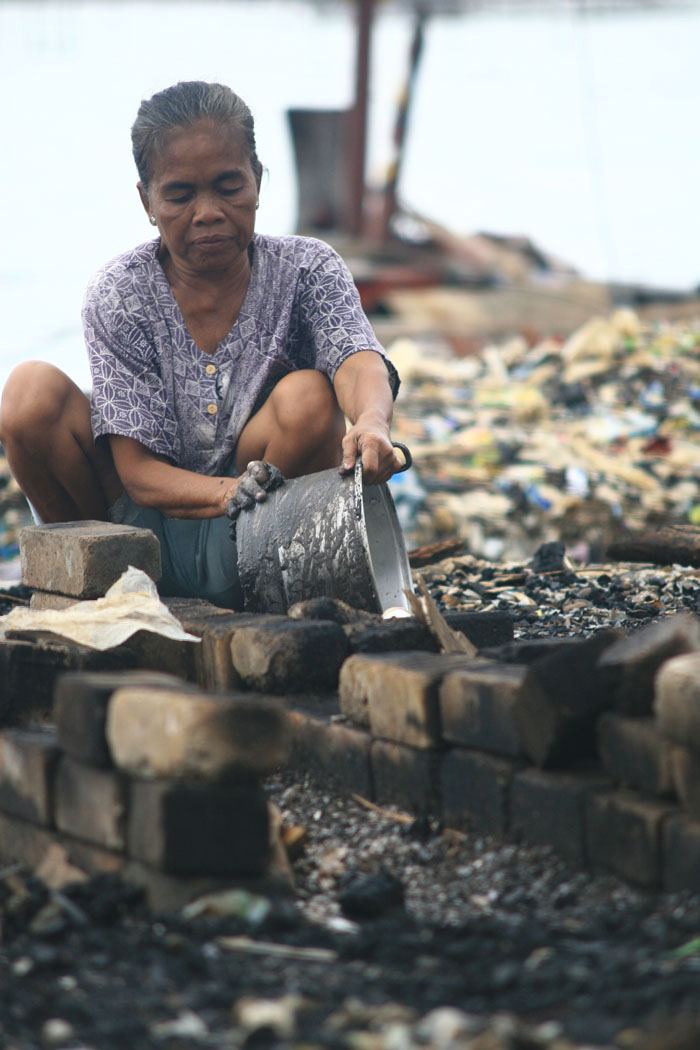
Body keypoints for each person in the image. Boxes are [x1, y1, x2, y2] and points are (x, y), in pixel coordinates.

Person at [0, 81, 401, 608]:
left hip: (261, 531)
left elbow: (355, 357)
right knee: (29, 392)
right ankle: (82, 585)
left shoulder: (308, 268)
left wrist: (372, 422)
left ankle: (257, 590)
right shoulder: (121, 292)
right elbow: (138, 475)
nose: (208, 212)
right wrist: (227, 492)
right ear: (147, 201)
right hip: (132, 535)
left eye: (229, 186)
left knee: (308, 395)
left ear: (258, 181)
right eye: (180, 194)